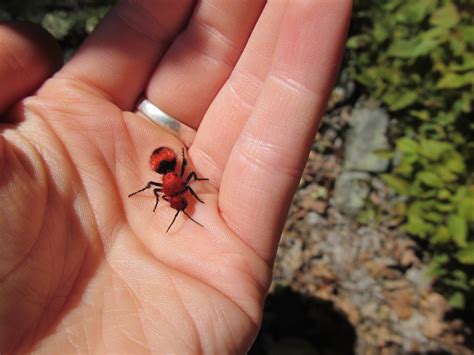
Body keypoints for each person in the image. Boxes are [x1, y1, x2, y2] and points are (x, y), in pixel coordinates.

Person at [0, 1, 352, 353]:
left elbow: (181, 185)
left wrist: (180, 178)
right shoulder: (174, 187)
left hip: (164, 160)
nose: (179, 202)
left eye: (176, 201)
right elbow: (176, 185)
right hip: (164, 161)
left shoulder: (176, 187)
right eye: (178, 201)